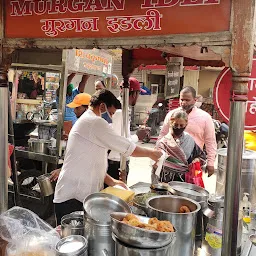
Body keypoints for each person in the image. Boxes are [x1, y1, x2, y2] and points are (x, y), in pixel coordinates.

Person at [53, 89, 162, 224]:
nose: (111, 117)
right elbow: (125, 147)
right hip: (71, 198)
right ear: (102, 106)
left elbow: (91, 161)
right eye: (110, 113)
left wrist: (112, 181)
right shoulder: (94, 122)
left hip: (78, 196)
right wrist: (150, 153)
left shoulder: (90, 122)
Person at [159, 86, 216, 177]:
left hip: (193, 163)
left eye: (187, 100)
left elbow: (210, 141)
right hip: (171, 163)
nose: (183, 103)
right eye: (182, 99)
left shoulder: (205, 117)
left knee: (192, 188)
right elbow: (162, 135)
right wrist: (156, 154)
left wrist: (211, 163)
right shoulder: (171, 115)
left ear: (195, 100)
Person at [107, 77, 146, 182]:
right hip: (116, 163)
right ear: (134, 94)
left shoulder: (122, 108)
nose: (138, 97)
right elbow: (119, 142)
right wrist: (137, 136)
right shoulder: (119, 112)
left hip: (118, 161)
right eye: (138, 94)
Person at [152, 109, 205, 183]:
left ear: (186, 124)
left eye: (181, 125)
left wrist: (196, 160)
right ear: (171, 122)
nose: (179, 127)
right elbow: (155, 166)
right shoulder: (163, 143)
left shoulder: (189, 140)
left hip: (185, 181)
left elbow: (202, 156)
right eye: (176, 125)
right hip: (166, 181)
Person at [50, 93, 92, 182]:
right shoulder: (81, 122)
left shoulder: (87, 124)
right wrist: (70, 138)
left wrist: (62, 169)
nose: (74, 111)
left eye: (77, 108)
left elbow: (81, 151)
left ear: (87, 108)